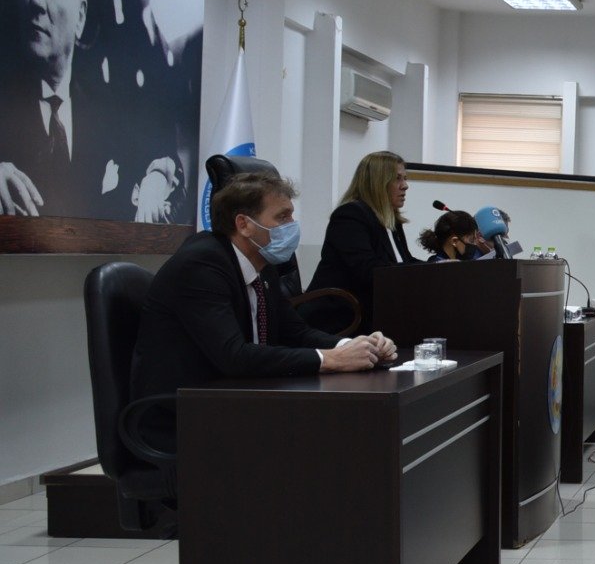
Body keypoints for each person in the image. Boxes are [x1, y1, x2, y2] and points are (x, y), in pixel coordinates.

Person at [130, 172, 397, 458]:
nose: (292, 226)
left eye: (291, 215)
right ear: (243, 224)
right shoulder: (201, 265)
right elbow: (233, 355)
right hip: (183, 419)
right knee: (322, 444)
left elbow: (296, 332)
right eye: (282, 217)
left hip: (234, 404)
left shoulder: (261, 263)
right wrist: (330, 359)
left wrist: (356, 347)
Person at [0, 0, 184, 221]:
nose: (36, 0)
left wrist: (157, 178)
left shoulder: (106, 108)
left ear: (80, 16)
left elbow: (164, 160)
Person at [307, 150, 417, 333]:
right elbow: (368, 270)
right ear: (377, 182)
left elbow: (405, 261)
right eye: (397, 179)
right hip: (343, 314)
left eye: (405, 179)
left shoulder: (391, 220)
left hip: (375, 308)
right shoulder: (350, 216)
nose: (405, 186)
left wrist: (439, 267)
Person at [418, 210, 489, 262]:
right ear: (454, 241)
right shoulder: (436, 268)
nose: (474, 245)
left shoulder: (475, 257)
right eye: (471, 240)